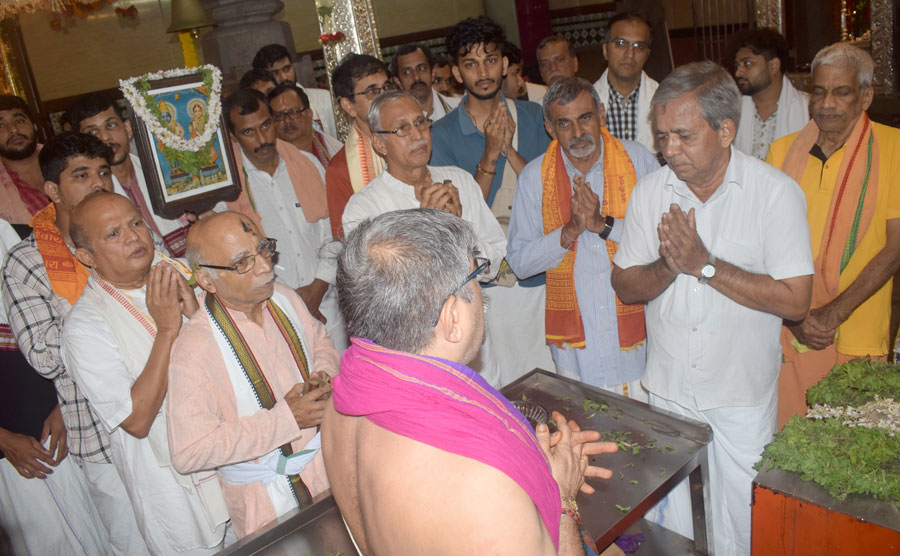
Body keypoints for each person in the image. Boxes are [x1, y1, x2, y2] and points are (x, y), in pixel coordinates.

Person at [324, 208, 618, 556]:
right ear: (452, 318)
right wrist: (562, 494)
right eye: (475, 276)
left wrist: (531, 461)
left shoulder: (338, 408)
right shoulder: (484, 483)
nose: (480, 291)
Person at [610, 61, 814, 556]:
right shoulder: (651, 191)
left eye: (683, 135)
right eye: (663, 136)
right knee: (677, 524)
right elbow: (626, 285)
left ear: (726, 131)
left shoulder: (774, 194)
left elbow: (796, 299)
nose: (669, 150)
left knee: (745, 519)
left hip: (740, 394)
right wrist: (670, 265)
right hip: (670, 391)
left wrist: (705, 265)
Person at [2, 132, 149, 555]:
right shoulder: (27, 262)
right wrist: (109, 307)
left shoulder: (130, 234)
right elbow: (45, 356)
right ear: (53, 190)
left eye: (103, 172)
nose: (98, 183)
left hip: (166, 409)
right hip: (100, 435)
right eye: (81, 175)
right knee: (135, 545)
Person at [62, 192, 227, 555]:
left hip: (232, 452)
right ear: (86, 256)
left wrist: (197, 317)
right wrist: (168, 330)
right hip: (174, 488)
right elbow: (136, 419)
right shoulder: (84, 325)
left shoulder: (182, 272)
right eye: (113, 234)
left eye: (135, 223)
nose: (133, 237)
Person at [167, 212, 337, 539]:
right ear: (206, 280)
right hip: (268, 503)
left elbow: (320, 341)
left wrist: (323, 376)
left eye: (263, 249)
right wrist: (286, 420)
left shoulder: (284, 298)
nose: (265, 266)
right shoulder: (195, 347)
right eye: (242, 262)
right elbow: (190, 451)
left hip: (329, 466)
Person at [767, 43, 900, 427]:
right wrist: (796, 318)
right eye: (819, 91)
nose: (827, 104)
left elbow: (895, 247)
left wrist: (831, 314)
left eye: (841, 92)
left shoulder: (893, 148)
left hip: (857, 333)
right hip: (790, 335)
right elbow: (762, 247)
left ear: (866, 96)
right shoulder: (780, 153)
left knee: (850, 451)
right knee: (790, 446)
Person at [342, 90, 507, 384]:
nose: (417, 135)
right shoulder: (364, 208)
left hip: (476, 355)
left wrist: (458, 230)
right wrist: (431, 228)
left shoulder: (460, 180)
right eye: (402, 128)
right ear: (379, 143)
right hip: (415, 359)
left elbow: (495, 258)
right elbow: (380, 301)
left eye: (420, 123)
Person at [507, 77, 658, 397]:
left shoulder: (638, 160)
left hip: (640, 348)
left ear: (601, 115)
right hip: (576, 353)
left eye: (585, 117)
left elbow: (661, 243)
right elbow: (520, 263)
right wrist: (570, 231)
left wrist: (603, 225)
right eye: (564, 123)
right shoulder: (535, 177)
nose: (577, 132)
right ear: (550, 128)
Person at [431, 15, 555, 386]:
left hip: (543, 272)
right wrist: (489, 152)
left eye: (490, 60)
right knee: (505, 386)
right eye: (470, 64)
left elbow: (550, 195)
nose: (482, 72)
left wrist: (509, 150)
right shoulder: (442, 134)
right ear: (457, 73)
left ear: (504, 64)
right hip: (488, 284)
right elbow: (459, 218)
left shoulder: (534, 117)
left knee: (555, 379)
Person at [0, 217, 110, 556]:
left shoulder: (24, 237)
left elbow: (72, 324)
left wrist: (65, 402)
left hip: (71, 419)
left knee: (107, 528)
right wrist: (4, 439)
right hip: (14, 451)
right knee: (48, 543)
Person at [221, 89, 347, 352]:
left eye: (266, 125)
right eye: (248, 132)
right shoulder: (227, 189)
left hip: (326, 304)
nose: (262, 138)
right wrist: (292, 304)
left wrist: (318, 287)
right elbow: (235, 261)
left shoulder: (308, 164)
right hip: (271, 314)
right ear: (232, 135)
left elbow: (333, 232)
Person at [65, 93, 192, 257]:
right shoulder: (91, 197)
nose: (105, 137)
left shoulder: (165, 170)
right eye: (92, 132)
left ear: (128, 128)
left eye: (110, 125)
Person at [324, 54, 397, 238]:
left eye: (387, 87)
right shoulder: (340, 169)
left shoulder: (415, 138)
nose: (385, 97)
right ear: (349, 106)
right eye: (372, 91)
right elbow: (345, 240)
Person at [731, 28, 809, 160]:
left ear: (773, 66)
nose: (738, 72)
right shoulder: (733, 111)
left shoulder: (808, 110)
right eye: (737, 65)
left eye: (747, 63)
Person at [593, 12, 658, 153]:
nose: (630, 54)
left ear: (647, 55)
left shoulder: (664, 99)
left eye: (639, 46)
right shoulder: (587, 101)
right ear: (605, 50)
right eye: (621, 44)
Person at [252, 43, 338, 139]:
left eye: (286, 69)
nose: (284, 77)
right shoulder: (263, 113)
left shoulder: (324, 98)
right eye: (275, 73)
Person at [0, 95, 50, 225]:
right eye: (1, 125)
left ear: (34, 126)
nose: (13, 130)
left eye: (19, 121)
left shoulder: (66, 160)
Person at [268, 83, 342, 169]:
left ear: (309, 114)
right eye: (279, 115)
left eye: (294, 112)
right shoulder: (269, 161)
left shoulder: (335, 149)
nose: (287, 120)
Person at [390, 42, 459, 120]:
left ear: (433, 73)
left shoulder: (460, 109)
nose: (416, 77)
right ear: (398, 81)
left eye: (421, 68)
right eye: (407, 72)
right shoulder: (393, 120)